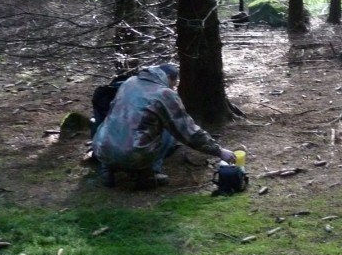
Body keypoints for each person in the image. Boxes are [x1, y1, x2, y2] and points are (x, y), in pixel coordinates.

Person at [91, 63, 235, 189]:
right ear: (171, 79)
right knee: (167, 132)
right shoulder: (164, 94)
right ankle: (147, 175)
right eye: (174, 84)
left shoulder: (130, 82)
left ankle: (107, 169)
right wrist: (219, 151)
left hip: (101, 146)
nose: (173, 87)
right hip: (133, 154)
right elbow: (188, 131)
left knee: (120, 126)